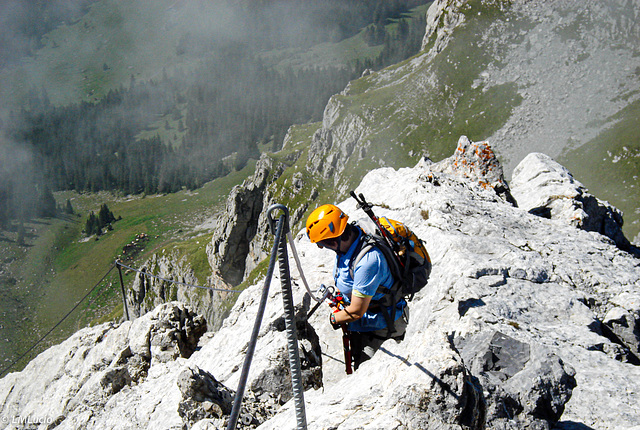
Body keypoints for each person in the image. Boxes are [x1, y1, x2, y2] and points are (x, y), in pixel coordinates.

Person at [306, 203, 408, 369]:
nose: (321, 247)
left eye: (321, 243)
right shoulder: (351, 239)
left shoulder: (368, 261)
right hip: (368, 320)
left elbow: (356, 311)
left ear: (333, 241)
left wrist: (334, 318)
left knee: (365, 371)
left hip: (382, 326)